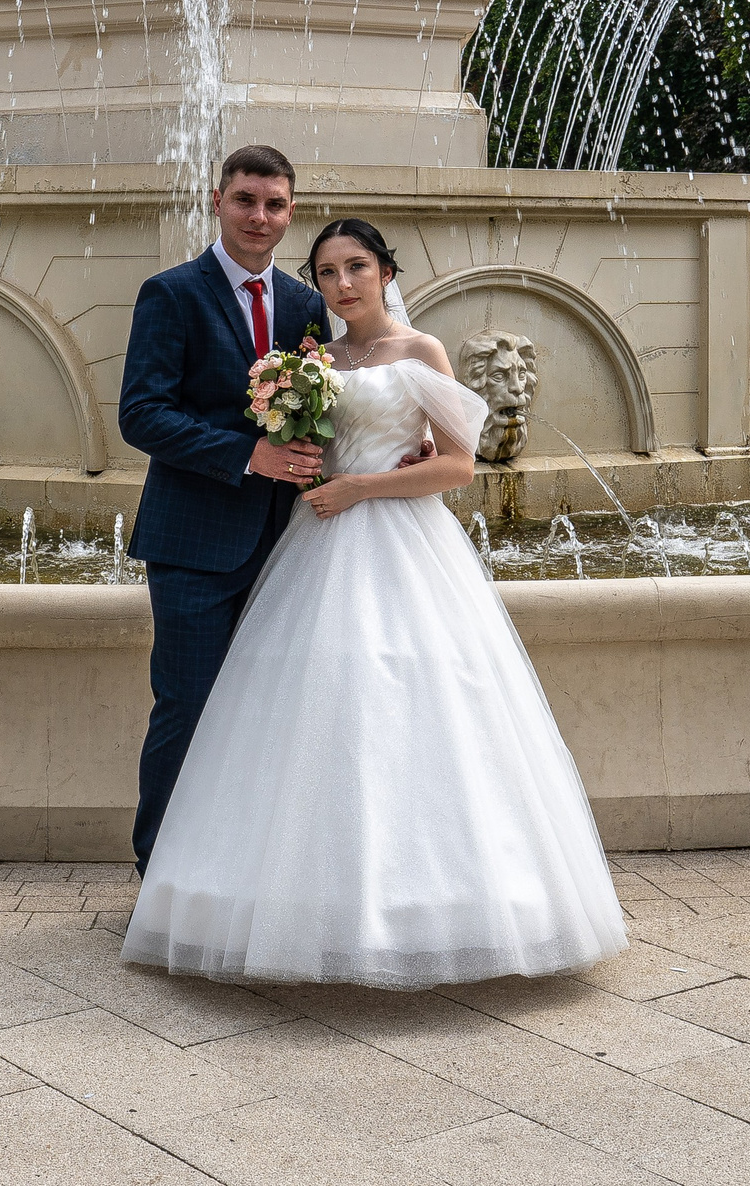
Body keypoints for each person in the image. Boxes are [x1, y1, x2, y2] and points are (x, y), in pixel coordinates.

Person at [123, 217, 628, 987]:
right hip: (314, 543)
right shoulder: (314, 358)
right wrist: (312, 466)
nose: (341, 284)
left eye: (356, 267)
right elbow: (306, 443)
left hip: (398, 544)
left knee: (410, 713)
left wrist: (367, 484)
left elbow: (458, 467)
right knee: (296, 718)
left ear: (387, 272)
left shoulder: (421, 352)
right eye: (327, 273)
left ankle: (429, 905)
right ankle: (270, 898)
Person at [117, 146, 335, 875]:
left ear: (290, 211)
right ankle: (160, 873)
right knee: (185, 708)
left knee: (268, 711)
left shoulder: (307, 305)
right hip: (193, 544)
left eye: (274, 204)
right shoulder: (171, 294)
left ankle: (242, 872)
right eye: (246, 200)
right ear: (218, 200)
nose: (259, 216)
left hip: (286, 545)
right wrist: (249, 457)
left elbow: (323, 412)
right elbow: (142, 415)